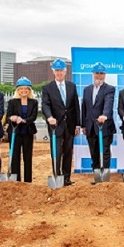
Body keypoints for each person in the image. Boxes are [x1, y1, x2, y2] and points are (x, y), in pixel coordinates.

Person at [42, 58, 81, 186]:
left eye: (61, 70)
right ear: (53, 71)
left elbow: (76, 106)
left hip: (69, 125)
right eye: (57, 70)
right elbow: (45, 105)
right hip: (55, 125)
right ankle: (56, 175)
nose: (59, 73)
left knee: (68, 151)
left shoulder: (71, 86)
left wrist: (77, 124)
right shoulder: (47, 88)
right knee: (57, 151)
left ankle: (66, 177)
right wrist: (49, 117)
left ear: (65, 71)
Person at [81, 62, 116, 181]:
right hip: (90, 127)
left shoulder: (109, 89)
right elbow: (84, 108)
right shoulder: (87, 89)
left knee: (105, 152)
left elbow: (108, 103)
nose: (99, 76)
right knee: (94, 152)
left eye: (101, 73)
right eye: (97, 73)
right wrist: (83, 125)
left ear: (105, 75)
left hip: (104, 127)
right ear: (93, 74)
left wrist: (104, 115)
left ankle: (104, 178)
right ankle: (97, 176)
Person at [6, 77, 38, 182]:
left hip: (28, 132)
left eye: (26, 89)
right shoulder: (12, 102)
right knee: (15, 157)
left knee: (27, 157)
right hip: (15, 132)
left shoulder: (34, 102)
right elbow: (8, 116)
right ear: (17, 90)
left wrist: (23, 120)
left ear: (29, 90)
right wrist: (13, 118)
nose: (24, 91)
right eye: (21, 89)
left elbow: (33, 117)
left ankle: (28, 181)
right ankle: (16, 180)